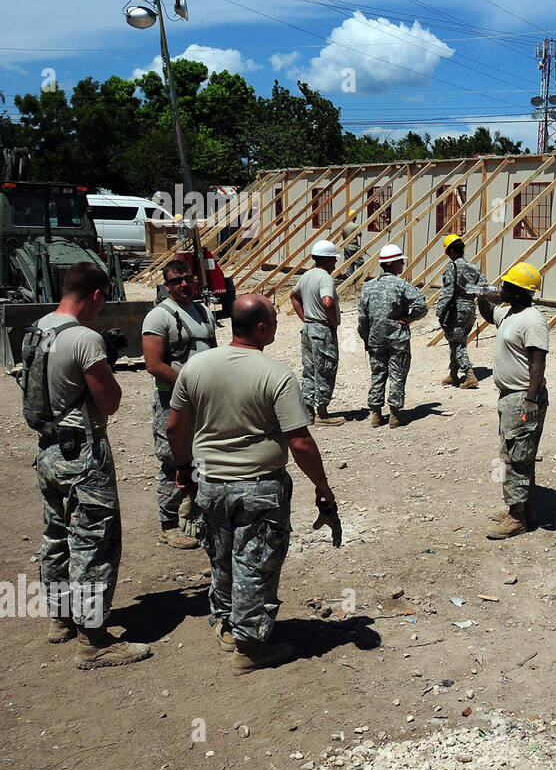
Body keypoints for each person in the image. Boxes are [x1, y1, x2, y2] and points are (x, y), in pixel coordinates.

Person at [167, 294, 337, 674]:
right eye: (275, 320)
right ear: (261, 328)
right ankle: (250, 646)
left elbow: (175, 426)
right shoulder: (275, 374)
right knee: (255, 564)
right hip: (258, 487)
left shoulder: (197, 366)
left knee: (222, 555)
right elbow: (300, 441)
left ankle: (227, 622)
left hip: (209, 481)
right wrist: (322, 486)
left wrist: (182, 467)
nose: (277, 324)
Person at [27, 262, 150, 669]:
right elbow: (109, 402)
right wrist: (107, 365)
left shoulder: (38, 328)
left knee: (57, 534)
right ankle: (94, 640)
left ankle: (61, 621)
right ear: (96, 294)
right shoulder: (85, 339)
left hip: (47, 451)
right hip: (83, 454)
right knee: (95, 541)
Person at [142, 259, 218, 549]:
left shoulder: (204, 313)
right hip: (171, 401)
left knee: (200, 456)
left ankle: (196, 515)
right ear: (167, 286)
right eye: (176, 281)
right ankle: (170, 523)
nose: (184, 284)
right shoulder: (158, 317)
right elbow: (153, 364)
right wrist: (188, 387)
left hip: (202, 401)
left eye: (188, 279)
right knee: (172, 460)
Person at [477, 262, 548, 539]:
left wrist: (530, 400)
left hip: (523, 398)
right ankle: (521, 507)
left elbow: (538, 363)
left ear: (519, 291)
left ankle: (516, 517)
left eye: (506, 284)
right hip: (509, 397)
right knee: (515, 452)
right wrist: (482, 299)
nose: (501, 287)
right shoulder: (509, 313)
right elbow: (489, 314)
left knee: (516, 458)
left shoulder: (532, 320)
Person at [358, 244, 428, 428]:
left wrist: (366, 338)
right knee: (397, 374)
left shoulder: (368, 287)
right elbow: (422, 305)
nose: (403, 266)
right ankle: (395, 416)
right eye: (401, 262)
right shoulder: (402, 285)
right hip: (398, 338)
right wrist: (409, 318)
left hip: (375, 339)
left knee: (378, 374)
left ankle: (375, 414)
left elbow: (362, 318)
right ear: (394, 263)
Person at [290, 240, 344, 426]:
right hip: (322, 329)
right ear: (327, 259)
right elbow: (327, 301)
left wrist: (305, 318)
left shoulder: (306, 276)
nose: (335, 264)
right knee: (325, 369)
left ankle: (309, 411)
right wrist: (332, 320)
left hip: (308, 328)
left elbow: (293, 296)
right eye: (333, 260)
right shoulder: (325, 278)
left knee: (310, 369)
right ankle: (322, 413)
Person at [434, 234, 485, 389]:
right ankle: (453, 374)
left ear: (449, 251)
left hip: (456, 310)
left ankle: (469, 375)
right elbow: (483, 288)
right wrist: (468, 292)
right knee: (457, 341)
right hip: (470, 308)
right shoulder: (473, 268)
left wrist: (439, 311)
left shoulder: (453, 267)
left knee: (456, 343)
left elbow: (447, 292)